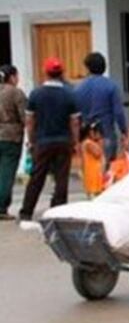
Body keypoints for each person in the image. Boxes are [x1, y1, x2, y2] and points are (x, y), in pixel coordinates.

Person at [19, 58, 81, 221]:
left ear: (45, 72)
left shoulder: (36, 93)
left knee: (36, 177)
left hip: (42, 141)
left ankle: (26, 212)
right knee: (62, 177)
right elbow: (74, 122)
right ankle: (58, 211)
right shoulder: (69, 94)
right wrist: (75, 141)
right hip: (63, 141)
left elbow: (30, 120)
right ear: (62, 73)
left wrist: (31, 140)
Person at [74, 52, 127, 165]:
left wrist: (76, 139)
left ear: (87, 68)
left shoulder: (78, 89)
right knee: (107, 174)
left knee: (90, 173)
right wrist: (124, 131)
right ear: (104, 67)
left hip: (87, 138)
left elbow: (75, 117)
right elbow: (118, 113)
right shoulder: (111, 86)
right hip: (106, 135)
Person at [0, 65, 27, 220]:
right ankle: (2, 207)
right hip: (11, 137)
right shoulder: (15, 93)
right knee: (6, 172)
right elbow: (25, 116)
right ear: (11, 77)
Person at [81, 122, 104, 199]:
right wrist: (100, 142)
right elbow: (98, 153)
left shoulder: (88, 143)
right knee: (95, 196)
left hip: (94, 173)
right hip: (92, 174)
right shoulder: (88, 143)